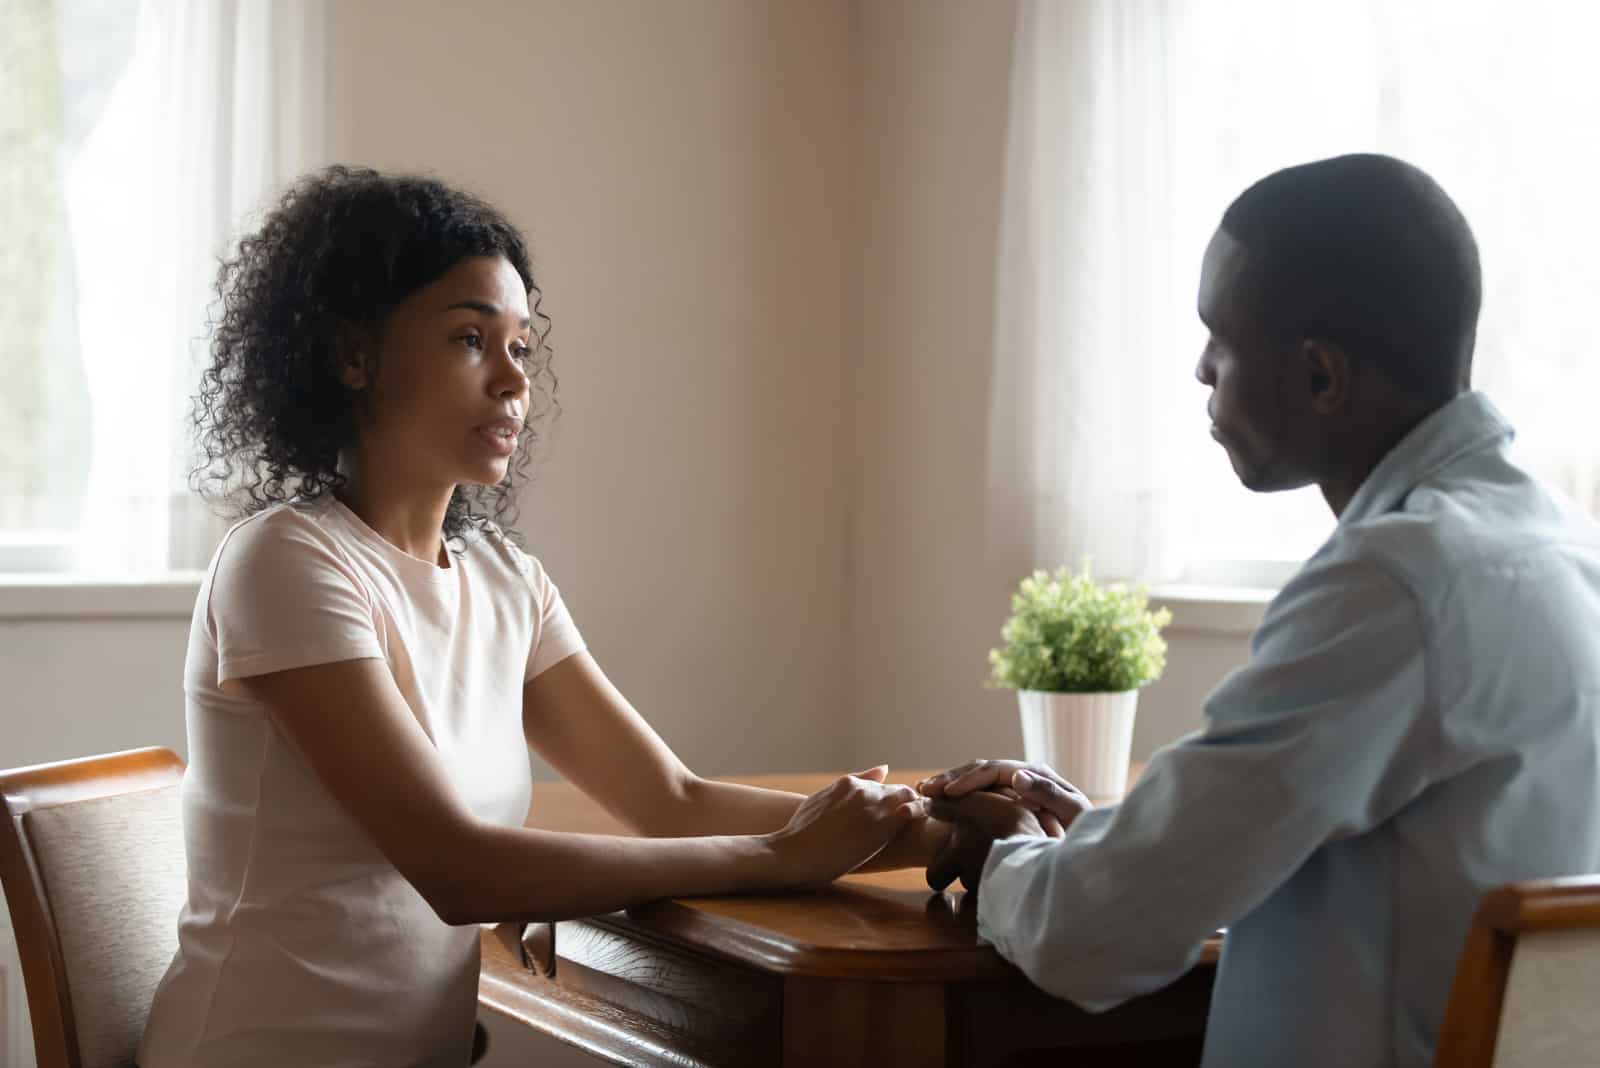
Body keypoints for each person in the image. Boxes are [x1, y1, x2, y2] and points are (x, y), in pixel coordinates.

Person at [137, 166, 940, 1068]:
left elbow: (671, 801)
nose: (512, 380)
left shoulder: (505, 579)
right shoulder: (287, 563)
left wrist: (931, 823)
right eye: (470, 339)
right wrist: (778, 854)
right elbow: (460, 869)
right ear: (354, 354)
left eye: (521, 346)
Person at [918, 153, 1600, 1067]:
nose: (1201, 369)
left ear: (1321, 376)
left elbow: (1089, 939)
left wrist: (1009, 853)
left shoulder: (1394, 583)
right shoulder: (1563, 545)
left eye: (1220, 338)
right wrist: (1113, 838)